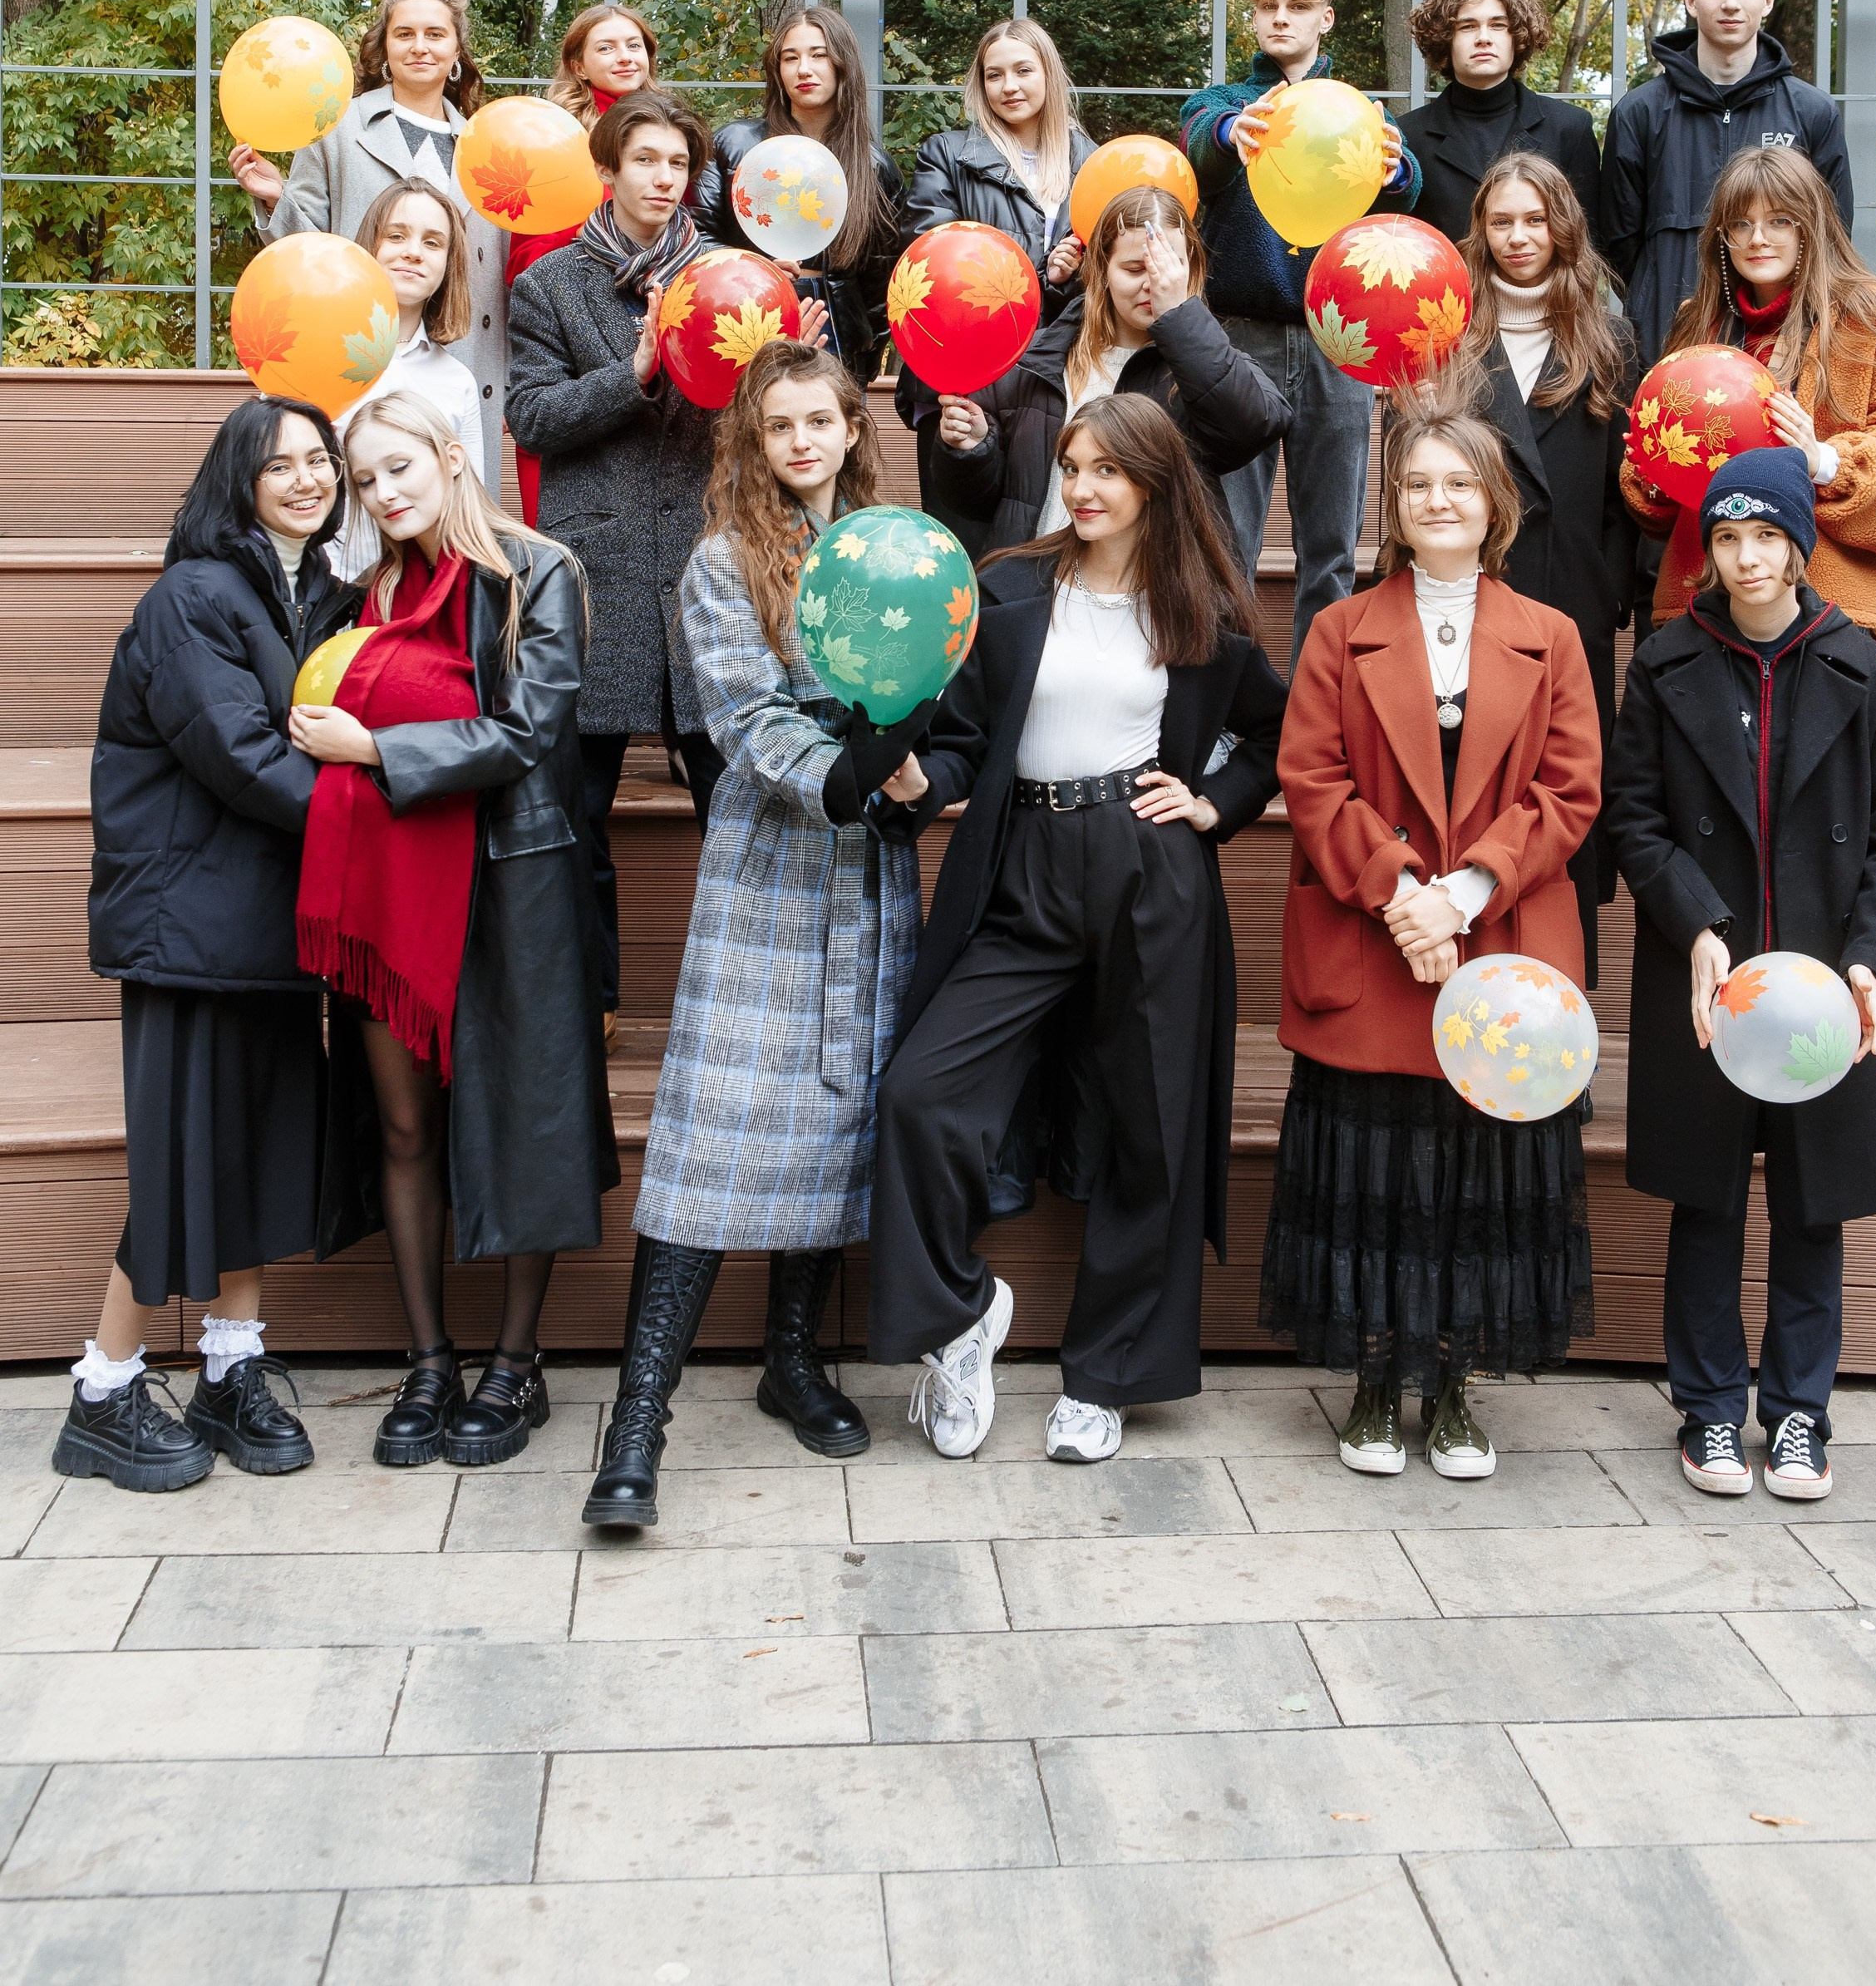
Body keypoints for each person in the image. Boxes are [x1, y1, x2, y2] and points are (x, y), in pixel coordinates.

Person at [867, 396, 1288, 1463]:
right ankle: (959, 1319)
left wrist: (1213, 803)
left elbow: (1274, 730)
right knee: (922, 1092)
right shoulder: (1009, 586)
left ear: (1155, 479)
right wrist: (921, 781)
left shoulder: (1201, 605)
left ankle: (1106, 1378)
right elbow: (963, 741)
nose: (1085, 485)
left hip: (1150, 870)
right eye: (1072, 463)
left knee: (1152, 1126)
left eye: (1109, 468)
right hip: (1024, 868)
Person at [583, 342, 928, 1529]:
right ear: (752, 438)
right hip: (773, 861)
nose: (800, 442)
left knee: (838, 1110)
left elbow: (933, 679)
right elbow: (746, 715)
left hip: (872, 871)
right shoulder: (723, 560)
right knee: (715, 1127)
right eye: (777, 424)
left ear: (849, 426)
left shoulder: (893, 550)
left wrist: (925, 764)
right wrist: (849, 773)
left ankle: (792, 1356)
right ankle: (637, 1418)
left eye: (818, 420)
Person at [1264, 400, 1601, 1482]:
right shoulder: (1336, 627)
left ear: (1492, 503)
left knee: (1470, 1176)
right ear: (1395, 509)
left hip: (1497, 941)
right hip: (1372, 942)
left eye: (1457, 482)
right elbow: (1310, 778)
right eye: (1416, 485)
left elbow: (1569, 788)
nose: (1436, 499)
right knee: (1381, 1167)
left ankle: (1452, 1384)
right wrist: (1400, 891)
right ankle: (1371, 1379)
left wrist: (1459, 892)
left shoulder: (1549, 635)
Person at [293, 389, 616, 1469]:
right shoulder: (361, 593)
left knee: (524, 1120)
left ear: (448, 456)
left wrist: (375, 752)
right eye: (366, 479)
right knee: (400, 1127)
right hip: (392, 895)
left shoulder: (541, 571)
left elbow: (529, 731)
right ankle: (428, 1357)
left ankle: (512, 1362)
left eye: (399, 469)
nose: (384, 493)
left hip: (512, 886)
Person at [52, 400, 362, 1494]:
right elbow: (237, 753)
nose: (306, 477)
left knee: (258, 1146)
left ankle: (231, 1363)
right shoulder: (194, 597)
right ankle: (102, 1384)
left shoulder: (321, 593)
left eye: (319, 458)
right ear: (238, 478)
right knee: (186, 1155)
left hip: (274, 925)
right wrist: (370, 820)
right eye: (280, 463)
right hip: (187, 926)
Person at [1606, 450, 1876, 1500]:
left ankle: (1797, 1416)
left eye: (1767, 538)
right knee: (1705, 1202)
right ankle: (1705, 1410)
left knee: (1811, 1206)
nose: (1746, 559)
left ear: (1801, 546)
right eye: (1728, 538)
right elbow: (1636, 820)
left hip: (1826, 989)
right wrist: (1694, 918)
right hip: (1708, 982)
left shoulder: (1860, 666)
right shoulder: (1663, 663)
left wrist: (1868, 963)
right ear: (1708, 548)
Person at [504, 89, 726, 1035]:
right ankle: (587, 1000)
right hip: (596, 570)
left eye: (677, 164)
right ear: (608, 168)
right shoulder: (547, 286)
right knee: (577, 809)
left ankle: (731, 992)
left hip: (707, 565)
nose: (662, 179)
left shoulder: (726, 276)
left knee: (732, 800)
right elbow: (532, 418)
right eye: (645, 161)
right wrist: (631, 377)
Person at [1621, 143, 1876, 668]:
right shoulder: (1699, 323)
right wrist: (1652, 471)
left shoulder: (1870, 315)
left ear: (1810, 227)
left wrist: (1822, 460)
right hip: (1708, 612)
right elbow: (1669, 504)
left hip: (1833, 620)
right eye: (1741, 224)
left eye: (1779, 220)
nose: (1758, 238)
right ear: (1722, 237)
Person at [1181, 0, 1420, 662]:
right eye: (1267, 7)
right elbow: (1199, 151)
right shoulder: (1224, 102)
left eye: (1297, 7)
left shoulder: (1356, 109)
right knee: (1227, 541)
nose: (1280, 20)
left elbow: (1402, 189)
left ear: (1326, 18)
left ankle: (1321, 705)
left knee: (1332, 546)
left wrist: (1395, 164)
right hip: (1238, 340)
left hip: (1338, 340)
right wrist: (1230, 134)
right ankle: (1227, 711)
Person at [1460, 153, 1639, 976]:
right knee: (1473, 792)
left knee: (1562, 801)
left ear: (1563, 226)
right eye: (1502, 221)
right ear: (1481, 232)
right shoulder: (1450, 329)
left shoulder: (1608, 335)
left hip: (1571, 602)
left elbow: (1626, 490)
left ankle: (1559, 1015)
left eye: (1535, 219)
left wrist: (1607, 590)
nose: (1519, 236)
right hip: (1470, 596)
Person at [931, 185, 1288, 560]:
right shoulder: (1037, 361)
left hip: (1148, 596)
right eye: (1135, 269)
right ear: (1101, 270)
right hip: (1038, 588)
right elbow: (982, 502)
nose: (1155, 284)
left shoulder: (1204, 360)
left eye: (1168, 268)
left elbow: (1254, 426)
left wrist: (1181, 318)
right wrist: (973, 449)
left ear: (1191, 268)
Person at [229, 0, 510, 451]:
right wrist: (279, 200)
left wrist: (505, 380)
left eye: (435, 35)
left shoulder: (490, 145)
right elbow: (305, 259)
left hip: (463, 363)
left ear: (457, 51)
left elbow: (502, 274)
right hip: (360, 356)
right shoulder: (337, 130)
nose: (420, 47)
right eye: (405, 34)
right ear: (384, 48)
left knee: (455, 508)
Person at [1599, 0, 1853, 367]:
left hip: (1782, 347)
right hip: (1665, 340)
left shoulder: (1813, 113)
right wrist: (1659, 294)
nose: (1731, 3)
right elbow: (1619, 244)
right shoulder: (1638, 114)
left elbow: (1833, 236)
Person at [898, 17, 1096, 540]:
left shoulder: (1091, 161)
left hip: (1052, 382)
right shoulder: (947, 154)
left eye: (1023, 70)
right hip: (967, 380)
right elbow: (933, 263)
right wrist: (1041, 274)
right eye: (994, 75)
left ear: (1049, 75)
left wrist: (1070, 278)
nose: (1009, 86)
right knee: (962, 543)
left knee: (1040, 540)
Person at [701, 2, 905, 384]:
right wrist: (752, 272)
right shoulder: (736, 143)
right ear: (777, 71)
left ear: (842, 64)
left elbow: (883, 282)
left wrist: (866, 353)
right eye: (789, 58)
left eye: (819, 55)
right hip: (746, 314)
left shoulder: (875, 166)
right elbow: (697, 235)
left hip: (838, 329)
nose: (803, 69)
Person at [509, 1, 658, 520]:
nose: (624, 57)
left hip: (655, 321)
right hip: (573, 321)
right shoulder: (553, 138)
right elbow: (530, 247)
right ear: (577, 64)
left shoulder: (669, 130)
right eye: (607, 47)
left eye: (634, 45)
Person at [332, 184, 485, 574]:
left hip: (421, 590)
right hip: (323, 584)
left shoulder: (455, 380)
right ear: (370, 246)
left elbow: (471, 506)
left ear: (449, 265)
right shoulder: (314, 357)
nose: (413, 252)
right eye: (396, 236)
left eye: (433, 243)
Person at [1400, 0, 1602, 244]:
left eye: (1498, 25)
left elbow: (1588, 240)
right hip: (1446, 286)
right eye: (1467, 26)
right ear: (1445, 39)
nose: (1484, 38)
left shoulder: (1569, 128)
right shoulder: (1409, 135)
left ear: (1517, 37)